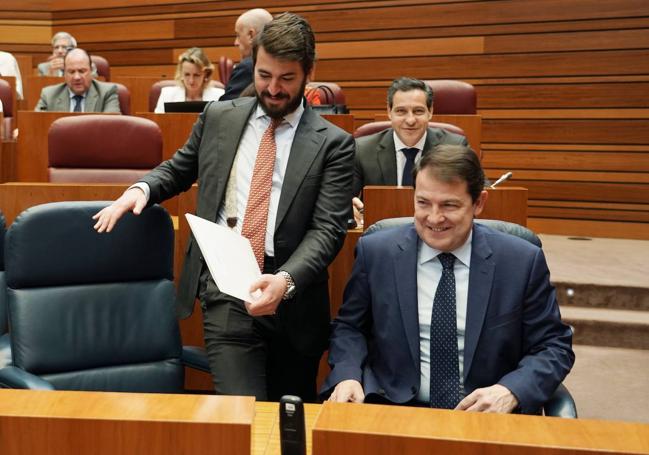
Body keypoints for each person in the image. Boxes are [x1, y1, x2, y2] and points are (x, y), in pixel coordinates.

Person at [93, 13, 355, 402]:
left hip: (294, 302)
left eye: (286, 79)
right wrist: (142, 189)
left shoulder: (334, 143)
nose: (273, 89)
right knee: (243, 413)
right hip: (227, 286)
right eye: (264, 75)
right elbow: (181, 168)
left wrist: (284, 281)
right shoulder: (219, 116)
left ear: (309, 72)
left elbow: (327, 230)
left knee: (287, 420)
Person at [322, 144, 574, 414]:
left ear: (479, 203)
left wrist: (511, 390)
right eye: (423, 203)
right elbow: (349, 327)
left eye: (449, 205)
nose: (434, 218)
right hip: (391, 409)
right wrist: (347, 375)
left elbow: (553, 345)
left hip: (485, 415)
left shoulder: (521, 261)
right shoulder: (377, 252)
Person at [351, 77, 468, 226]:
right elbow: (340, 197)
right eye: (401, 111)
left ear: (430, 112)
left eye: (418, 111)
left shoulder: (454, 146)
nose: (410, 120)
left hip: (438, 228)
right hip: (383, 233)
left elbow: (478, 190)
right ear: (389, 112)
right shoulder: (363, 150)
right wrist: (347, 207)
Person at [35, 48, 120, 113]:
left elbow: (112, 128)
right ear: (64, 73)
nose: (76, 77)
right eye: (71, 72)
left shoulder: (107, 93)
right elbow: (37, 125)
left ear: (91, 71)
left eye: (82, 71)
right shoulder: (49, 95)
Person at [220, 8, 273, 101]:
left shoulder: (248, 67)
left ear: (251, 35)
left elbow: (225, 109)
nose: (235, 42)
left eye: (238, 35)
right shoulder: (283, 62)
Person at [154, 47, 224, 113]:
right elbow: (158, 123)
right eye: (187, 74)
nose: (191, 81)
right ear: (181, 73)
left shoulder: (219, 96)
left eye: (196, 75)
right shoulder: (167, 95)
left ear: (206, 74)